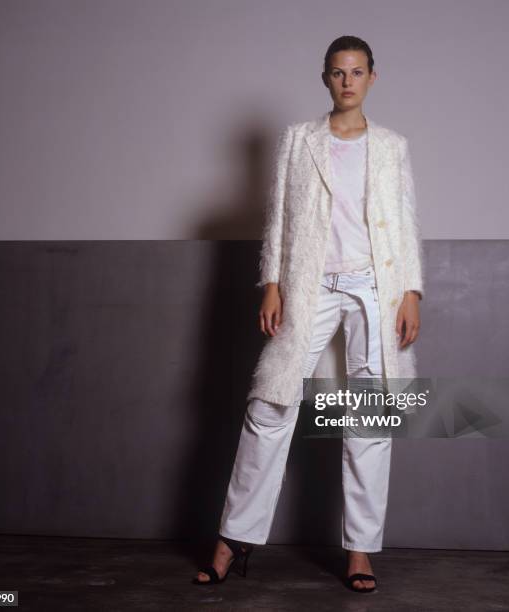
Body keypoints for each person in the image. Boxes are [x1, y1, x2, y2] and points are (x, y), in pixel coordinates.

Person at [192, 35, 424, 594]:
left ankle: (360, 552)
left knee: (368, 420)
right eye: (338, 72)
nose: (348, 80)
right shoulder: (299, 140)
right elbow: (278, 218)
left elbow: (407, 218)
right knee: (271, 404)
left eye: (358, 71)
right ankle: (233, 540)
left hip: (375, 288)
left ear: (373, 77)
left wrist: (411, 291)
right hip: (309, 286)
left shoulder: (392, 146)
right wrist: (271, 283)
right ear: (325, 78)